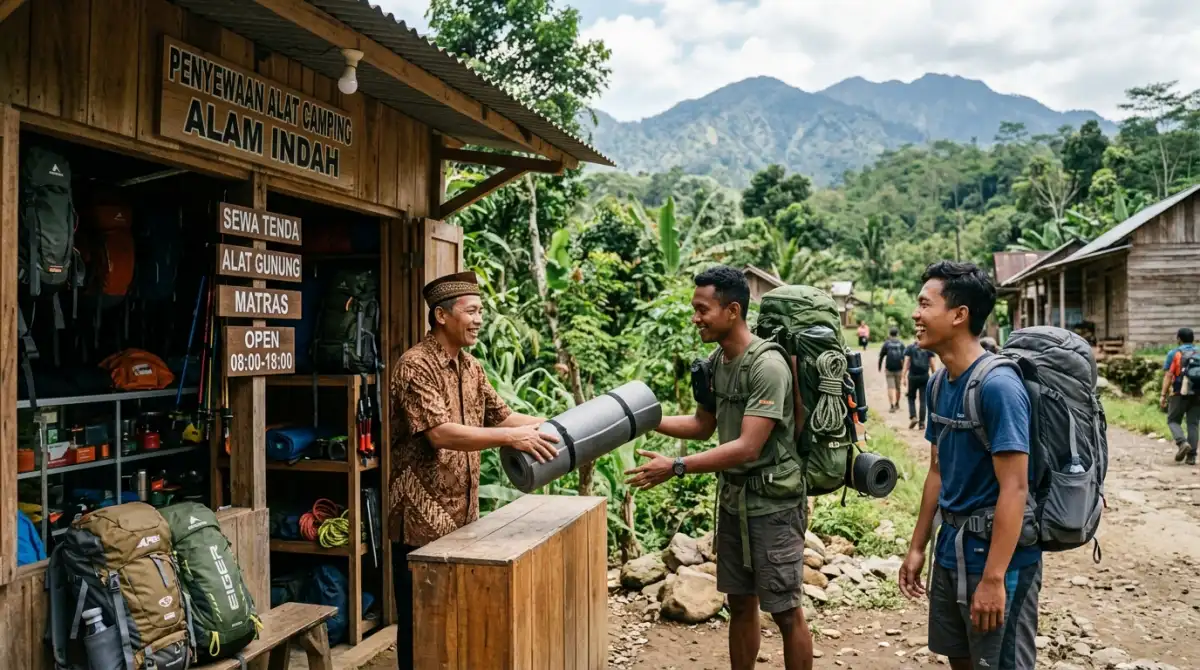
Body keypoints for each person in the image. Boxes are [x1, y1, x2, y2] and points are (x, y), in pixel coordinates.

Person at [625, 265, 813, 670]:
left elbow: (747, 447)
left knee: (784, 610)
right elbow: (702, 425)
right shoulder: (715, 363)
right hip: (734, 501)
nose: (695, 318)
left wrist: (675, 466)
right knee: (741, 603)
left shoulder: (767, 366)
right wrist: (640, 420)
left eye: (702, 309)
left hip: (774, 503)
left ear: (732, 310)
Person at [389, 271, 561, 670]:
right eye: (472, 311)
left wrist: (562, 427)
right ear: (441, 316)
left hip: (463, 517)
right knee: (420, 623)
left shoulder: (471, 367)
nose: (480, 319)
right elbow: (440, 434)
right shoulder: (415, 366)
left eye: (481, 310)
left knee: (453, 617)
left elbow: (504, 417)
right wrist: (510, 440)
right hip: (419, 521)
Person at [898, 261, 1040, 670]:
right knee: (959, 659)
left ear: (959, 315)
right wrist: (917, 547)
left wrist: (994, 579)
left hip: (997, 560)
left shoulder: (999, 387)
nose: (916, 314)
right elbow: (937, 472)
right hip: (951, 549)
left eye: (925, 304)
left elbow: (1015, 488)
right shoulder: (940, 383)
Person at [1161, 327, 1200, 465]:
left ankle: (1182, 443)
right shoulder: (1198, 352)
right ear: (1193, 339)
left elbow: (1169, 375)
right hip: (1197, 392)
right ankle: (1191, 457)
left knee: (1173, 420)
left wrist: (1163, 395)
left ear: (1179, 339)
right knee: (1193, 423)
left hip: (1179, 392)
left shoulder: (1174, 353)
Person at [903, 340, 937, 430]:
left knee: (911, 398)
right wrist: (935, 377)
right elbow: (933, 364)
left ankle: (913, 416)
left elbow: (906, 363)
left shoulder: (910, 348)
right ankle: (921, 423)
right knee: (923, 400)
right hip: (925, 377)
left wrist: (903, 376)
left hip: (912, 377)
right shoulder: (928, 348)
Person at [879, 327, 906, 412]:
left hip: (889, 369)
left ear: (890, 334)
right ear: (897, 334)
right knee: (898, 388)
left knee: (890, 387)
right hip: (899, 369)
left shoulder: (887, 343)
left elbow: (881, 356)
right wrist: (904, 370)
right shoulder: (901, 344)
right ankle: (897, 404)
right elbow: (904, 357)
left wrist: (879, 366)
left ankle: (891, 406)